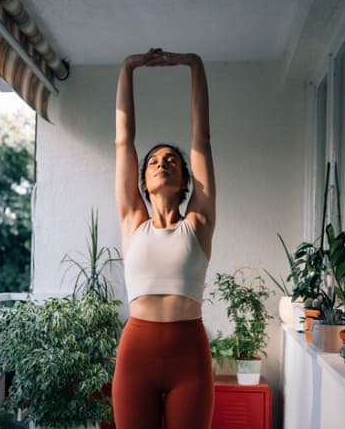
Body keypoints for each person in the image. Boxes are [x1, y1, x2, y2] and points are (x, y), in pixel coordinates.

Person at [112, 48, 216, 429]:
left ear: (186, 181)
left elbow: (201, 138)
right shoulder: (132, 220)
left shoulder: (199, 222)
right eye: (154, 161)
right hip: (136, 354)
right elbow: (124, 142)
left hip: (189, 356)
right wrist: (128, 67)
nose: (161, 163)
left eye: (171, 160)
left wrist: (194, 64)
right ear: (143, 181)